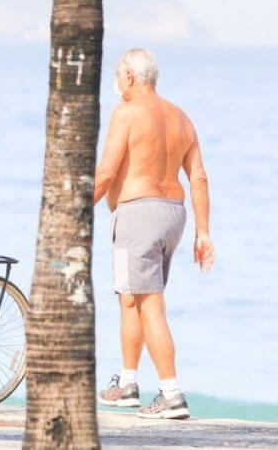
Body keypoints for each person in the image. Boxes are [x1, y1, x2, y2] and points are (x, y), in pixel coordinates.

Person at [94, 49, 214, 419]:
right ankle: (128, 384)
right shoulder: (181, 117)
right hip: (172, 216)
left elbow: (107, 173)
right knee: (131, 298)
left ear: (130, 76)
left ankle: (171, 393)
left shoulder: (126, 114)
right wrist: (203, 233)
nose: (116, 81)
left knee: (149, 304)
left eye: (118, 74)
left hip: (137, 215)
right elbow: (197, 177)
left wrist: (74, 211)